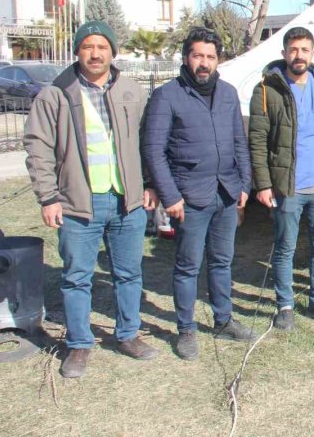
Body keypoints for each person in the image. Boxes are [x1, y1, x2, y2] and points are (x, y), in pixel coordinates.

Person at [24, 20, 158, 378]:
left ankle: (128, 334)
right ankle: (80, 344)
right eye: (87, 47)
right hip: (76, 203)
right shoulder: (56, 94)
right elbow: (38, 148)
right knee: (76, 277)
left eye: (102, 46)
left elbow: (147, 143)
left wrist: (150, 184)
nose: (95, 53)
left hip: (127, 201)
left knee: (129, 273)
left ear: (113, 51)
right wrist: (48, 196)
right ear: (77, 51)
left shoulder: (131, 91)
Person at [141, 28, 255, 359]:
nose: (204, 63)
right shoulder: (167, 96)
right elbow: (154, 150)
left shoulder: (229, 93)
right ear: (186, 58)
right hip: (189, 196)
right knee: (188, 265)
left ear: (218, 59)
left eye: (210, 56)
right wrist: (170, 195)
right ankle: (186, 329)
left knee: (222, 261)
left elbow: (239, 143)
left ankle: (223, 320)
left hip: (226, 193)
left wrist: (244, 185)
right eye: (197, 55)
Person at [248, 26, 314, 328]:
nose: (299, 55)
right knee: (285, 247)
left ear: (313, 53)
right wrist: (263, 184)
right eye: (293, 50)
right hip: (287, 185)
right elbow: (257, 139)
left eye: (304, 50)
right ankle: (285, 305)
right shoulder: (267, 90)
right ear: (284, 53)